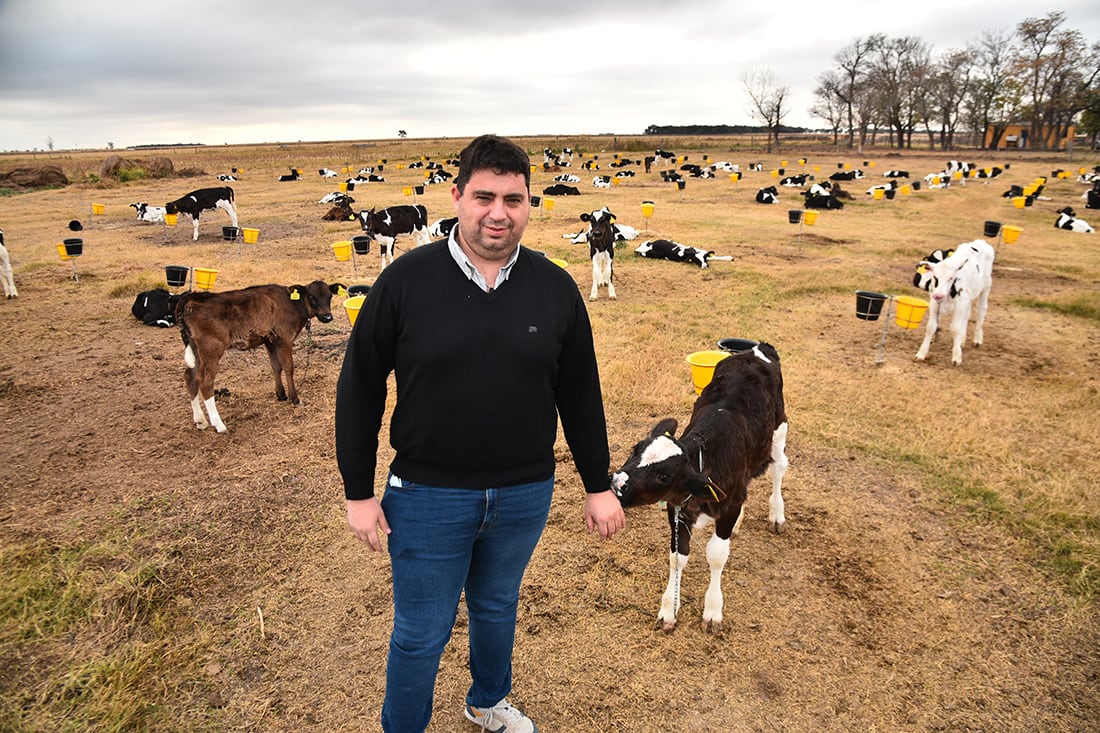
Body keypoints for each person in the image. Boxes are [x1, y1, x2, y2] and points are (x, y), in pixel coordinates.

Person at [336, 133, 625, 733]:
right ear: (458, 196)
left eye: (513, 200)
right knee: (421, 632)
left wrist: (598, 484)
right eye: (485, 197)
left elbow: (580, 393)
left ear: (529, 204)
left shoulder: (554, 287)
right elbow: (360, 387)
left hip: (524, 493)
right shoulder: (405, 282)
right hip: (426, 496)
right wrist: (358, 493)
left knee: (497, 606)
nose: (499, 213)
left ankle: (488, 700)